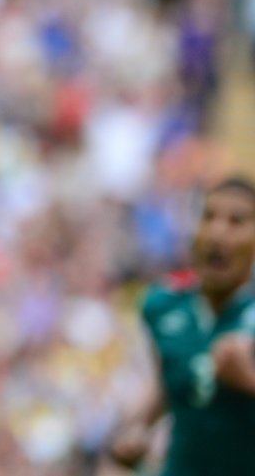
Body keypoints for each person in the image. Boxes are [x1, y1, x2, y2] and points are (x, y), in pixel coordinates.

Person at [108, 177, 255, 475]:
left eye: (236, 221)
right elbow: (171, 378)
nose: (217, 232)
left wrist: (248, 381)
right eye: (208, 216)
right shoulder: (162, 305)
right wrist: (138, 428)